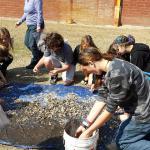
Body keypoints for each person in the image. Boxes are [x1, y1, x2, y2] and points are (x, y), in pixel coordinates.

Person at [75, 47, 150, 150]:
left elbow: (110, 109)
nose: (88, 73)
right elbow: (102, 97)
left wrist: (88, 132)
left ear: (91, 63)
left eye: (86, 70)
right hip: (142, 105)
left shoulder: (117, 73)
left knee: (123, 143)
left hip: (145, 113)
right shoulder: (111, 65)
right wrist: (85, 125)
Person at [16, 0, 44, 69]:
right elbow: (26, 13)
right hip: (30, 25)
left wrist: (38, 25)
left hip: (36, 24)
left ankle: (35, 61)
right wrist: (20, 21)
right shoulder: (27, 0)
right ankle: (41, 56)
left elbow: (39, 13)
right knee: (26, 43)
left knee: (32, 44)